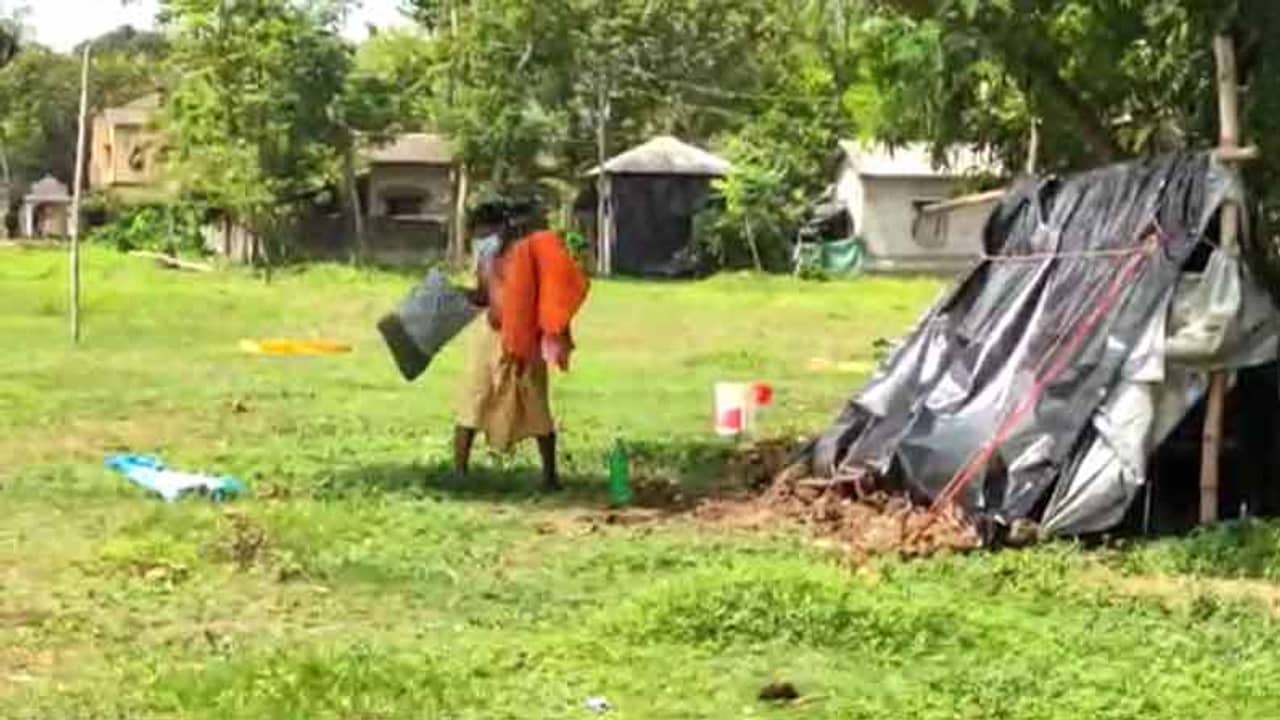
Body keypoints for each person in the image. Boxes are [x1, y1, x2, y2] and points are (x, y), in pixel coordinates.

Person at [454, 198, 585, 490]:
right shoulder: (487, 260)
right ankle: (458, 473)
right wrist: (451, 296)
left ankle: (550, 477)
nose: (478, 240)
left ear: (500, 229)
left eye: (482, 233)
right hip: (490, 335)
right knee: (474, 397)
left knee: (535, 402)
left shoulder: (529, 257)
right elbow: (483, 296)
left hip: (524, 339)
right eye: (475, 235)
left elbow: (552, 295)